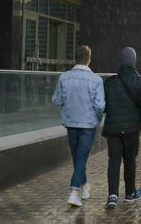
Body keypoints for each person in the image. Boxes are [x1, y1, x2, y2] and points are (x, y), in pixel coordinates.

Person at [52, 45, 105, 207]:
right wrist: (97, 118)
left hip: (70, 123)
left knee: (77, 158)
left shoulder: (64, 77)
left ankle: (85, 185)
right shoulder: (96, 80)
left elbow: (56, 100)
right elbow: (100, 105)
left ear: (75, 58)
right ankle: (74, 192)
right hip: (88, 125)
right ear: (89, 59)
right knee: (81, 158)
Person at [103, 47, 141, 209]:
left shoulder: (109, 83)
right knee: (130, 160)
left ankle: (112, 196)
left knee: (114, 160)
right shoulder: (140, 81)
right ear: (133, 61)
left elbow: (104, 106)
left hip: (113, 129)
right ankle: (130, 193)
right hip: (131, 129)